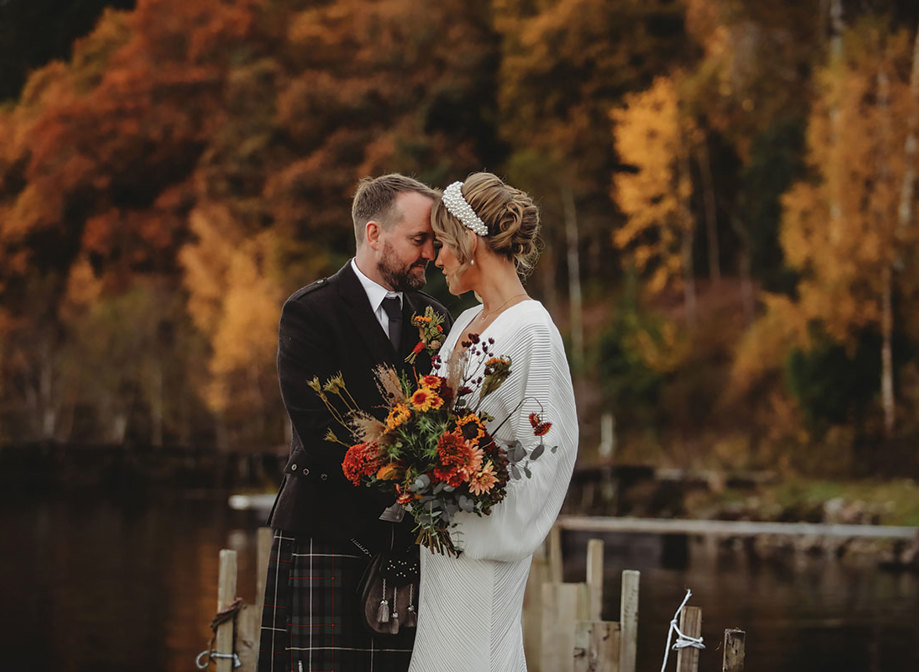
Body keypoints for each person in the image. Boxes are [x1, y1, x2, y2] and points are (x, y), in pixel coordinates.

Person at [258, 174, 453, 672]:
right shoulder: (310, 312)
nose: (430, 252)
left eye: (434, 241)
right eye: (418, 240)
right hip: (328, 527)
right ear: (373, 235)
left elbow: (447, 418)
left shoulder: (436, 318)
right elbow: (322, 431)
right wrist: (410, 487)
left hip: (406, 538)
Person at [408, 173, 578, 672]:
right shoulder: (463, 322)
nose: (436, 259)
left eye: (442, 244)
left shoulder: (533, 331)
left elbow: (550, 448)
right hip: (440, 543)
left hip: (485, 547)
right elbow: (433, 418)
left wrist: (484, 516)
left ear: (471, 240)